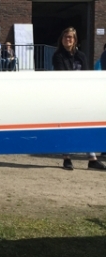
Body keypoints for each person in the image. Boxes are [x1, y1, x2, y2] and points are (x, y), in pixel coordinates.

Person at [52, 27, 105, 171]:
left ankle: (92, 158)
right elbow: (63, 74)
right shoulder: (58, 56)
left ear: (75, 40)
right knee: (66, 126)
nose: (67, 39)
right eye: (65, 37)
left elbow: (86, 74)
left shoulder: (81, 56)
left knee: (86, 125)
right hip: (66, 95)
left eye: (70, 37)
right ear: (62, 39)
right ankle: (67, 158)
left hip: (81, 95)